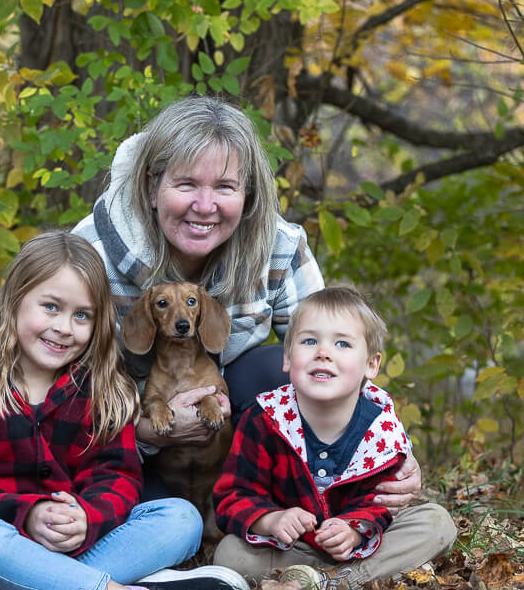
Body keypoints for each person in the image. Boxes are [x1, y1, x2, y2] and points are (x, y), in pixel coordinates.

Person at [73, 96, 428, 514]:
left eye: (224, 187)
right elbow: (58, 384)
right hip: (128, 446)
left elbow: (337, 352)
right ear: (153, 187)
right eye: (186, 184)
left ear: (246, 194)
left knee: (274, 365)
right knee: (168, 526)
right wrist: (148, 434)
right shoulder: (90, 254)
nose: (204, 208)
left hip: (237, 451)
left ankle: (278, 504)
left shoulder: (280, 246)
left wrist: (389, 446)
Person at [0, 231, 249, 590]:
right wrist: (28, 514)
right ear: (14, 299)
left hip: (80, 543)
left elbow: (119, 477)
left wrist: (87, 518)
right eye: (51, 307)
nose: (63, 327)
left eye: (81, 315)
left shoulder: (100, 386)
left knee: (181, 518)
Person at [212, 287, 457, 590]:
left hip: (366, 547)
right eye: (309, 341)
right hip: (292, 548)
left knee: (436, 522)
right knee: (230, 553)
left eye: (342, 343)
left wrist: (355, 530)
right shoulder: (264, 419)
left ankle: (340, 583)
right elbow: (233, 494)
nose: (323, 352)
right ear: (288, 358)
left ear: (371, 364)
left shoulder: (379, 428)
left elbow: (381, 502)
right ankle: (324, 580)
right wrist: (271, 520)